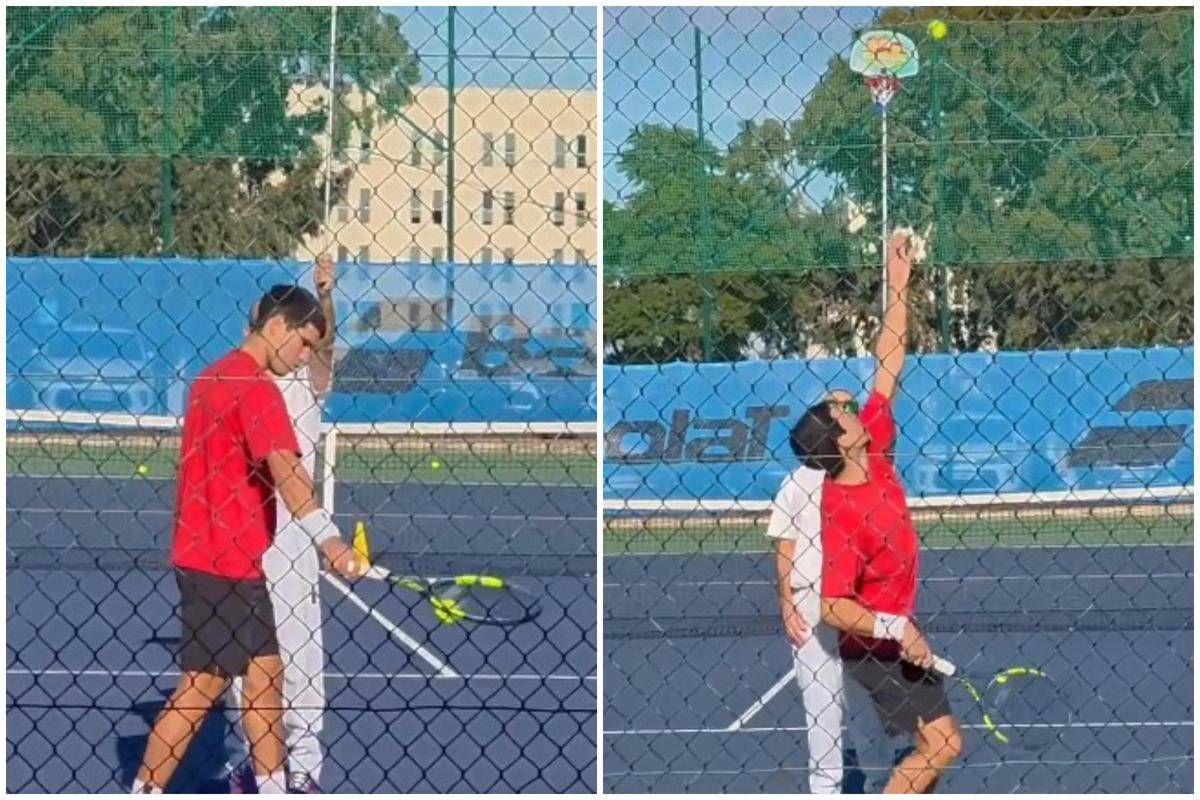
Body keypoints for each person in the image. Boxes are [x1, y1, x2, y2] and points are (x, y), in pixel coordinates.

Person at [133, 284, 366, 794]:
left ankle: (272, 786)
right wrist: (331, 543)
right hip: (225, 565)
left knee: (265, 676)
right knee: (201, 688)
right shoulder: (258, 390)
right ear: (278, 327)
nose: (304, 356)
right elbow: (288, 473)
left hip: (215, 556)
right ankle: (144, 791)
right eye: (303, 343)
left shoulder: (209, 378)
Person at [790, 229, 962, 794]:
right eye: (840, 415)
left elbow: (889, 361)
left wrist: (898, 285)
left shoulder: (877, 450)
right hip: (873, 649)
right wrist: (896, 628)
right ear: (840, 443)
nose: (849, 408)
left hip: (896, 634)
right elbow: (831, 606)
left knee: (934, 749)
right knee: (942, 745)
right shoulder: (842, 513)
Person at [228, 257, 338, 793]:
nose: (305, 349)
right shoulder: (241, 380)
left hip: (295, 536)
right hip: (248, 532)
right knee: (244, 660)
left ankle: (304, 768)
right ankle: (251, 764)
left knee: (301, 655)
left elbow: (326, 347)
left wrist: (324, 294)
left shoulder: (305, 378)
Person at [767, 465, 898, 793]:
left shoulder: (876, 474)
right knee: (830, 704)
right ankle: (847, 785)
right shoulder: (799, 481)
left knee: (855, 702)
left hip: (850, 603)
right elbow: (786, 546)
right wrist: (787, 602)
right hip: (820, 603)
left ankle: (870, 782)